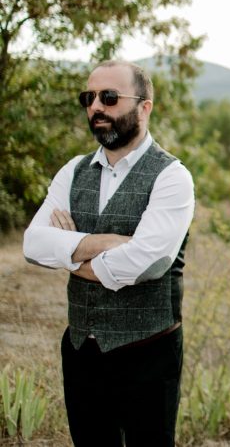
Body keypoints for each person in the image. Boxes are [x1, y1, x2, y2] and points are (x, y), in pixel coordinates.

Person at [22, 60, 194, 446]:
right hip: (82, 350)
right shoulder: (73, 171)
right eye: (89, 98)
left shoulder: (172, 177)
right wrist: (105, 242)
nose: (96, 107)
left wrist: (67, 251)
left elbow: (146, 262)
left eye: (110, 97)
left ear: (144, 106)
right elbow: (33, 244)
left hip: (148, 354)